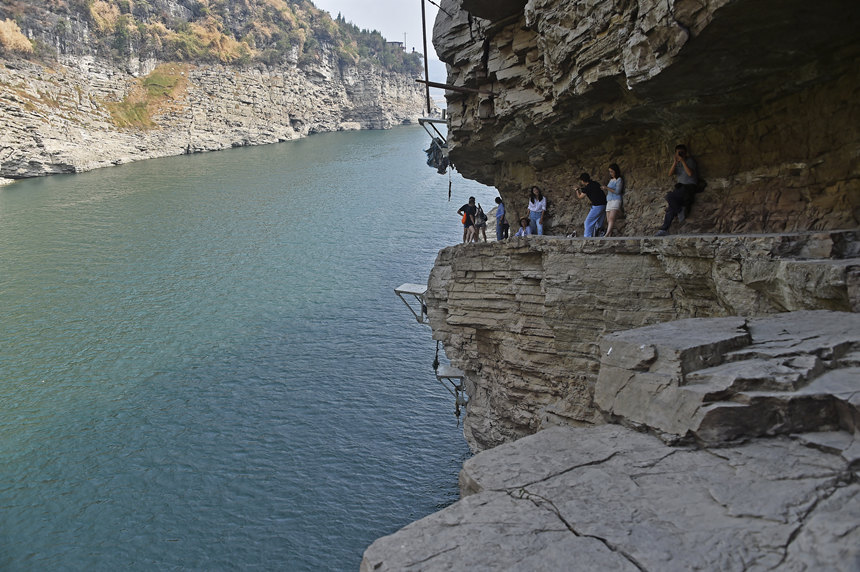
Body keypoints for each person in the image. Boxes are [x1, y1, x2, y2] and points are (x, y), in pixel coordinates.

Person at [656, 144, 698, 236]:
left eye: (682, 152)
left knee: (669, 196)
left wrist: (683, 161)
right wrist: (675, 162)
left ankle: (679, 210)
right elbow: (670, 174)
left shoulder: (690, 161)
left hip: (689, 187)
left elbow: (690, 173)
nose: (680, 154)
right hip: (680, 188)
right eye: (678, 153)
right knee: (671, 208)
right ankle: (664, 229)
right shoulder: (677, 163)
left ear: (686, 153)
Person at [576, 173, 607, 238]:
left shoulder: (587, 188)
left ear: (583, 180)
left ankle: (587, 237)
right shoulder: (595, 183)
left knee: (588, 222)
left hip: (597, 206)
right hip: (604, 205)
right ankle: (598, 235)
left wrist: (576, 190)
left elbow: (580, 196)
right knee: (599, 222)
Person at [600, 163, 624, 237]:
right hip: (609, 200)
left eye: (612, 171)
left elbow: (617, 191)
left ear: (615, 171)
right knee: (608, 219)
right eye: (609, 172)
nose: (610, 173)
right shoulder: (611, 180)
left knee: (611, 218)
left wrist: (607, 188)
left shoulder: (619, 180)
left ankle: (607, 234)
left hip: (616, 200)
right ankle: (610, 234)